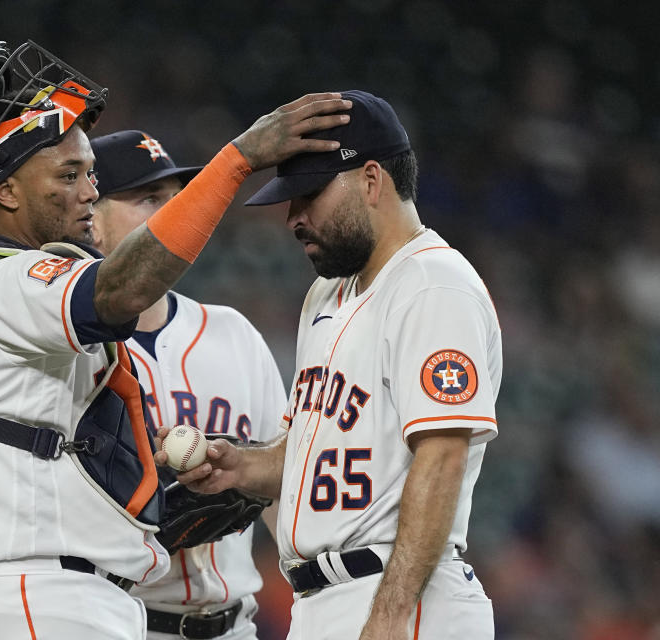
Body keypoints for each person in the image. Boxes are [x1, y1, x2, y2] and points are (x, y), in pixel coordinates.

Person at [0, 39, 352, 640]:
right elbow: (118, 291)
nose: (88, 191)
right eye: (69, 174)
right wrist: (237, 160)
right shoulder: (10, 277)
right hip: (33, 595)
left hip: (26, 592)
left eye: (90, 174)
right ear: (5, 191)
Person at [162, 90, 502, 640]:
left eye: (309, 195)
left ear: (371, 181)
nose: (293, 218)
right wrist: (243, 467)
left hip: (400, 597)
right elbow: (315, 451)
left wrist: (390, 618)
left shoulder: (432, 285)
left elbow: (442, 457)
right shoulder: (326, 296)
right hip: (323, 603)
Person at [89, 129, 286, 640]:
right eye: (148, 199)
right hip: (120, 625)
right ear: (91, 220)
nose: (175, 213)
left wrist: (249, 471)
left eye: (178, 199)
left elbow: (292, 479)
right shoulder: (71, 349)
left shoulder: (234, 334)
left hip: (236, 625)